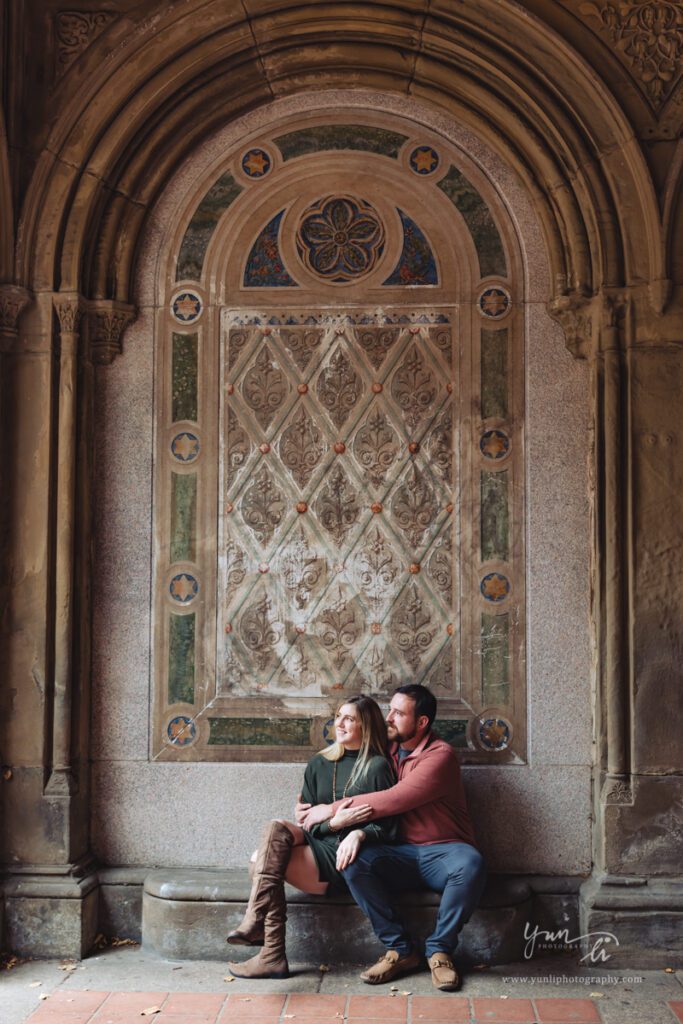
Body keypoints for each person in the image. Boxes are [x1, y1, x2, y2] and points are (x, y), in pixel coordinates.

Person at [297, 683, 486, 991]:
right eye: (390, 711)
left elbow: (394, 798)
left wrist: (327, 810)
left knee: (471, 863)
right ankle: (400, 949)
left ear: (421, 722)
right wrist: (308, 806)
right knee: (353, 862)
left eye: (399, 713)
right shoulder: (389, 747)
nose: (390, 718)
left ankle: (439, 951)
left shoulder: (440, 756)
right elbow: (346, 761)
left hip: (444, 852)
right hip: (398, 851)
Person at [227, 695, 397, 980]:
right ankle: (257, 927)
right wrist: (334, 823)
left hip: (344, 857)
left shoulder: (377, 767)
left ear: (365, 727)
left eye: (349, 718)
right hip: (317, 842)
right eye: (339, 716)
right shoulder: (319, 763)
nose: (339, 723)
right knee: (274, 831)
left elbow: (390, 828)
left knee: (260, 861)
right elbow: (306, 824)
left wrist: (355, 831)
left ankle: (269, 952)